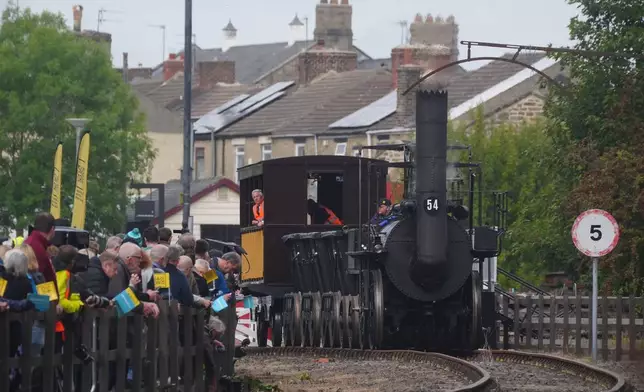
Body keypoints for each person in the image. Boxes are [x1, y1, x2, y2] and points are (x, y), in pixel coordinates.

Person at [23, 212, 57, 285]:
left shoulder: (32, 242)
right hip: (41, 294)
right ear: (52, 229)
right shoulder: (37, 248)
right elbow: (40, 281)